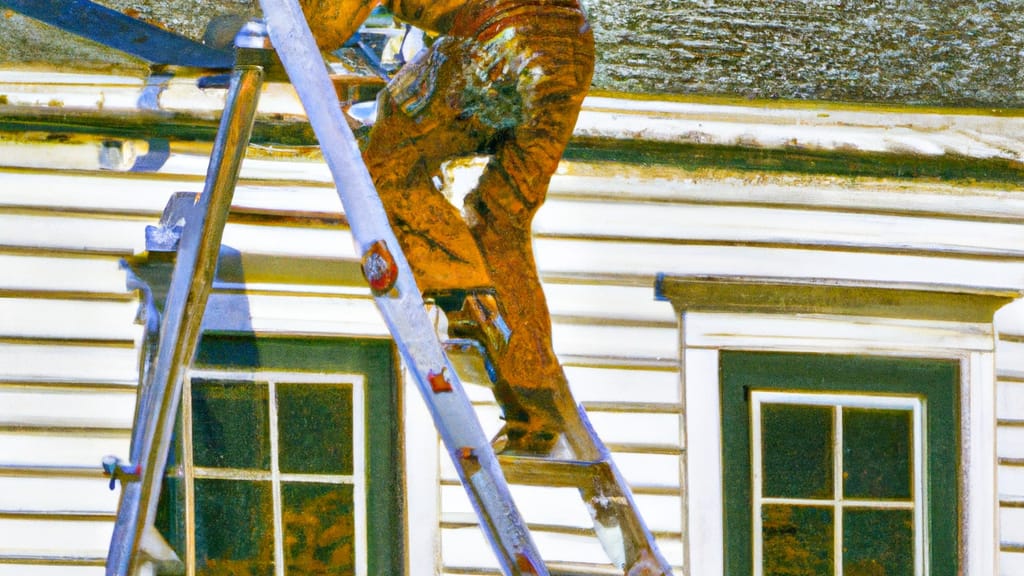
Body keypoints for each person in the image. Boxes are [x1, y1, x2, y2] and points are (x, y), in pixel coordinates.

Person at [300, 0, 595, 455]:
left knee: (384, 165)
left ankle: (461, 285)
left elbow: (319, 29)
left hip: (498, 38)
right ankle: (535, 407)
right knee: (501, 220)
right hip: (568, 48)